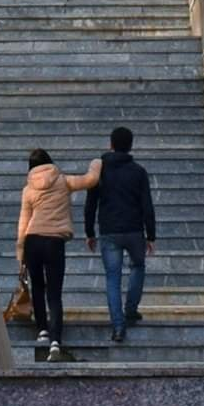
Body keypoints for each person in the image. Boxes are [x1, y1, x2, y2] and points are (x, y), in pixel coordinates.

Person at [17, 148, 102, 363]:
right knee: (54, 292)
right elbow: (91, 180)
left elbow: (23, 223)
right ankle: (55, 341)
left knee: (38, 286)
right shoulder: (63, 181)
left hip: (33, 240)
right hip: (54, 242)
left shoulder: (28, 190)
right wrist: (96, 162)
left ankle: (42, 330)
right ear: (50, 162)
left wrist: (20, 252)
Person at [84, 126, 156, 342]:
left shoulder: (100, 171)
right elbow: (147, 205)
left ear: (111, 144)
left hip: (109, 231)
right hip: (135, 230)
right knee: (138, 267)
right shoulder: (139, 171)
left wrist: (89, 232)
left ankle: (118, 326)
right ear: (130, 146)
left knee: (112, 279)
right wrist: (151, 235)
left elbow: (91, 204)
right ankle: (131, 310)